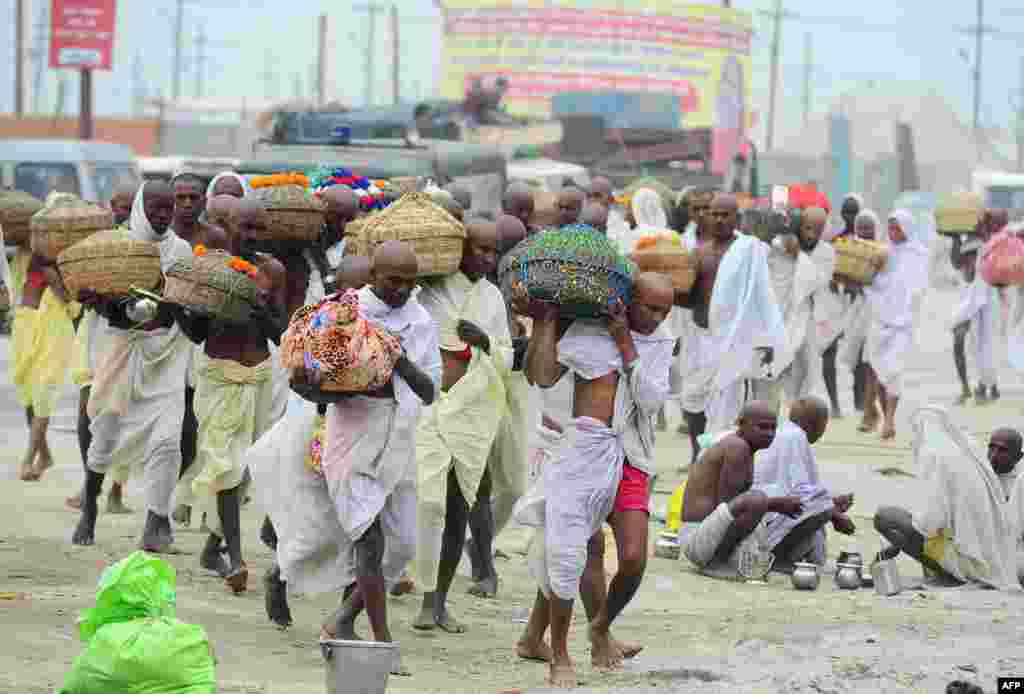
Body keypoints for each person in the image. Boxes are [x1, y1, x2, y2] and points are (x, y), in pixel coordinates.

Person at [513, 272, 675, 687]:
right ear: (626, 299)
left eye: (664, 311)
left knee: (633, 557)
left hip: (630, 454)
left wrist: (626, 343)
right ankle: (559, 651)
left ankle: (599, 626)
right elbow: (542, 376)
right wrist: (544, 322)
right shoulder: (585, 332)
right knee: (570, 550)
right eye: (649, 307)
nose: (656, 317)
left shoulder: (658, 341)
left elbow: (652, 401)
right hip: (578, 449)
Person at [294, 242, 440, 673]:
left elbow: (430, 390)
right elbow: (303, 380)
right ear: (372, 275)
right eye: (394, 280)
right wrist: (343, 385)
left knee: (402, 546)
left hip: (399, 437)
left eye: (410, 283)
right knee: (369, 542)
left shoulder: (420, 320)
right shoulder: (342, 313)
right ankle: (383, 644)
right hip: (351, 435)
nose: (402, 290)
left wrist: (395, 358)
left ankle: (341, 619)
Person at [412, 219, 527, 632]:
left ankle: (437, 602)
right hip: (431, 409)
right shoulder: (430, 289)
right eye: (480, 250)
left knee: (461, 505)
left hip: (476, 412)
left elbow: (508, 357)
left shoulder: (492, 297)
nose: (488, 258)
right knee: (427, 504)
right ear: (459, 249)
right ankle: (413, 584)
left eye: (493, 251)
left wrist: (484, 340)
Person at [172, 197, 287, 593]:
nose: (251, 234)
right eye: (245, 226)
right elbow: (199, 335)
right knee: (226, 465)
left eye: (258, 227)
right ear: (227, 226)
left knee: (247, 469)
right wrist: (182, 311)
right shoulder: (206, 268)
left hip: (259, 377)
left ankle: (212, 548)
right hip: (218, 376)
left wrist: (259, 308)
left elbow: (280, 334)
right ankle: (235, 559)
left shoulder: (272, 271)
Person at [71, 181, 193, 551]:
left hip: (168, 353)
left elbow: (178, 305)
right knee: (105, 427)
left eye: (167, 208)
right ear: (141, 206)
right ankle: (90, 505)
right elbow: (104, 303)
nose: (162, 214)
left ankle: (157, 520)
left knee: (168, 440)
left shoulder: (181, 249)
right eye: (155, 207)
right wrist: (105, 301)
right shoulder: (115, 245)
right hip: (120, 350)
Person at [677, 194, 783, 448]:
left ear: (737, 218)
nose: (719, 219)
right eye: (715, 214)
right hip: (701, 338)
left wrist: (767, 340)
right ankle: (698, 452)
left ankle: (724, 453)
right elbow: (689, 298)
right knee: (693, 396)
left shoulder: (750, 251)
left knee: (732, 403)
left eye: (725, 214)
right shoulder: (697, 254)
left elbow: (763, 297)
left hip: (737, 341)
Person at [874, 410, 1022, 590]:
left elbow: (930, 523)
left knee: (888, 518)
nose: (994, 455)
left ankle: (952, 573)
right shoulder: (974, 465)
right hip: (983, 556)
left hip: (988, 560)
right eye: (992, 447)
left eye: (1003, 450)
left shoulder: (1017, 484)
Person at [678, 401, 803, 579]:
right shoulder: (738, 447)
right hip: (698, 539)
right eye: (762, 427)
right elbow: (729, 505)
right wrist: (775, 504)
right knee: (758, 499)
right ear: (741, 424)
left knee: (766, 502)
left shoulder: (744, 447)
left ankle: (728, 558)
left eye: (773, 428)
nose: (769, 434)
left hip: (706, 535)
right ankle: (717, 562)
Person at [751, 397, 856, 571]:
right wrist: (834, 515)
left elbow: (792, 488)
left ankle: (788, 555)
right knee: (818, 498)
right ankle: (779, 558)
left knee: (821, 499)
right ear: (817, 424)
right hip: (765, 520)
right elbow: (803, 494)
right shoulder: (795, 436)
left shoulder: (786, 433)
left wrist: (832, 504)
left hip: (766, 514)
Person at [9, 221, 76, 481]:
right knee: (28, 396)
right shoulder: (25, 254)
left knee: (44, 391)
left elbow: (72, 303)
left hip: (53, 331)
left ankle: (28, 458)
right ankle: (45, 454)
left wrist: (55, 279)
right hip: (25, 326)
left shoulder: (62, 261)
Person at [752, 207, 835, 410]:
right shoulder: (778, 247)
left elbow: (816, 281)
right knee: (767, 370)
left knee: (806, 371)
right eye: (807, 228)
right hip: (772, 318)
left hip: (807, 319)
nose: (811, 234)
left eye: (817, 230)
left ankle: (799, 415)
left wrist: (798, 254)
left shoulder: (826, 252)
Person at [859, 209, 929, 440]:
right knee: (875, 368)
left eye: (897, 227)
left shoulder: (919, 254)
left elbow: (918, 288)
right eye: (890, 227)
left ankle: (889, 420)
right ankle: (873, 413)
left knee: (894, 371)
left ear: (907, 228)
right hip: (879, 319)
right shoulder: (881, 251)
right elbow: (872, 281)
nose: (893, 232)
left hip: (903, 324)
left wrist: (908, 306)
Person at [835, 208, 881, 418]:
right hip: (856, 308)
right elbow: (840, 278)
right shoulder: (849, 249)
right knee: (855, 356)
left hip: (878, 310)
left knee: (871, 357)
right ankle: (858, 398)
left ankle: (869, 402)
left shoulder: (882, 251)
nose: (864, 231)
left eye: (868, 227)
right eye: (861, 227)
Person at [950, 234, 1001, 404]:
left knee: (986, 347)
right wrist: (955, 239)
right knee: (959, 343)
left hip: (982, 312)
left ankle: (988, 384)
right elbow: (955, 262)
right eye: (967, 258)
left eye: (973, 257)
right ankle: (965, 387)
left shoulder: (984, 273)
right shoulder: (962, 267)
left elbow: (981, 300)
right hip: (965, 310)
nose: (969, 261)